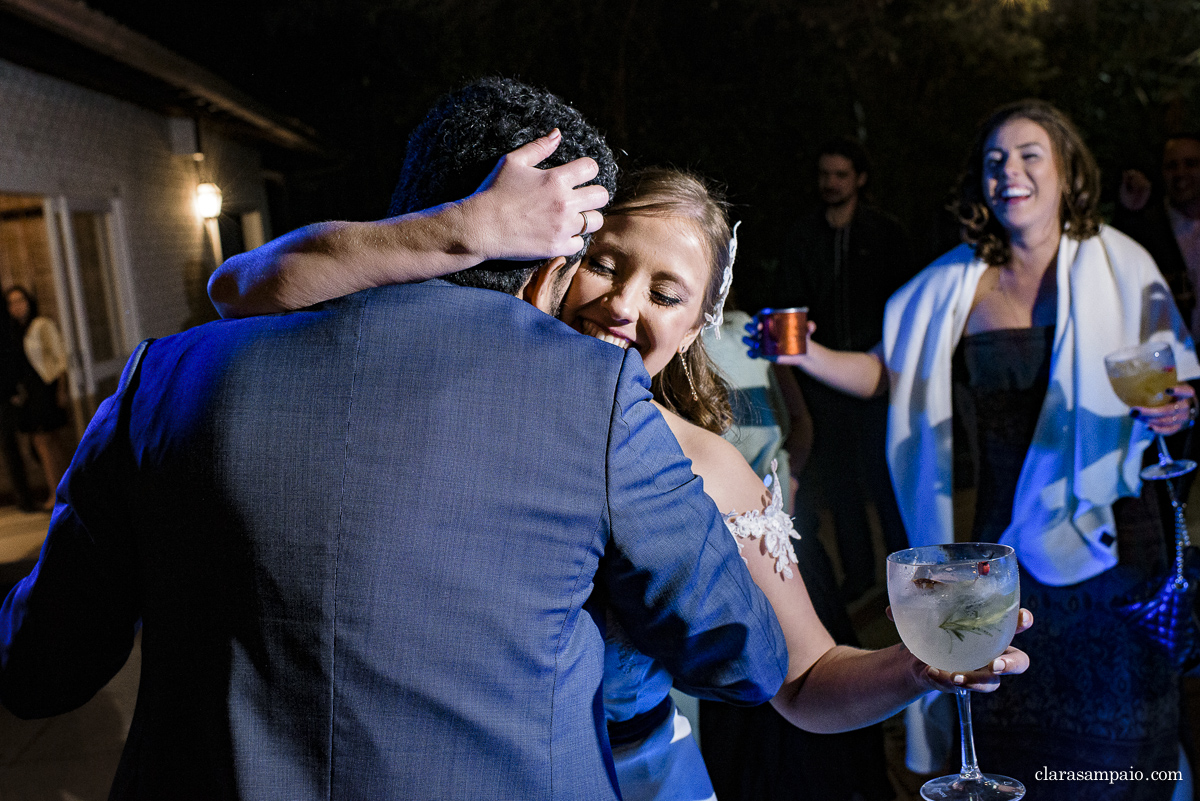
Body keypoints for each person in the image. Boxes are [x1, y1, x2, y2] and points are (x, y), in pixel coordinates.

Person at [0, 78, 793, 801]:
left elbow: (37, 666)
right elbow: (746, 656)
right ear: (557, 255)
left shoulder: (164, 379)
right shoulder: (597, 400)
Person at [212, 158, 1033, 800]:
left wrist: (917, 668)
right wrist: (458, 230)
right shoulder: (453, 402)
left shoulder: (711, 467)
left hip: (636, 778)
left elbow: (806, 680)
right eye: (606, 264)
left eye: (666, 293)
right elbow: (243, 287)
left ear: (696, 326)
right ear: (563, 256)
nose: (621, 305)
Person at [755, 100, 1198, 801]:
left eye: (1029, 155)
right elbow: (886, 373)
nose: (1009, 171)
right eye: (995, 160)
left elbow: (1174, 377)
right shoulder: (956, 282)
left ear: (1066, 173)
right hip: (1006, 546)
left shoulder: (1122, 262)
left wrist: (1178, 410)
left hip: (1114, 532)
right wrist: (806, 353)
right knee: (1012, 727)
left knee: (1124, 734)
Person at [776, 137, 917, 601]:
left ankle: (910, 575)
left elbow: (907, 303)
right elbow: (788, 304)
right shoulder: (801, 237)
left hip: (881, 379)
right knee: (840, 485)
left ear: (859, 178)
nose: (831, 184)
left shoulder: (885, 233)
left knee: (887, 478)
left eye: (841, 175)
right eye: (825, 175)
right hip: (823, 381)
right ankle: (859, 578)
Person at [1114, 133, 1200, 340]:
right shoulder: (1149, 228)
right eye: (1171, 166)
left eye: (1191, 163)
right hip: (1181, 354)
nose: (1180, 173)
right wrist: (1129, 212)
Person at [5, 285, 69, 510]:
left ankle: (57, 492)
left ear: (29, 301)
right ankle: (61, 489)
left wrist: (62, 389)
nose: (17, 306)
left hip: (45, 386)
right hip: (31, 391)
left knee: (47, 441)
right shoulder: (16, 331)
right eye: (12, 303)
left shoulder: (41, 324)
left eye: (20, 300)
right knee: (44, 442)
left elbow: (60, 356)